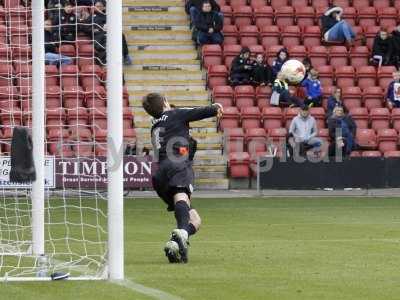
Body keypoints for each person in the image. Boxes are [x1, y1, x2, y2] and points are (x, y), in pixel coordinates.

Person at [142, 93, 223, 263]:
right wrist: (216, 108)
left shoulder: (154, 126)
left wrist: (187, 146)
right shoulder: (174, 114)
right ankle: (181, 234)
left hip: (160, 175)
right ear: (165, 102)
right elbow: (198, 112)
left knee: (195, 220)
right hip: (176, 165)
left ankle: (175, 243)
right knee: (181, 195)